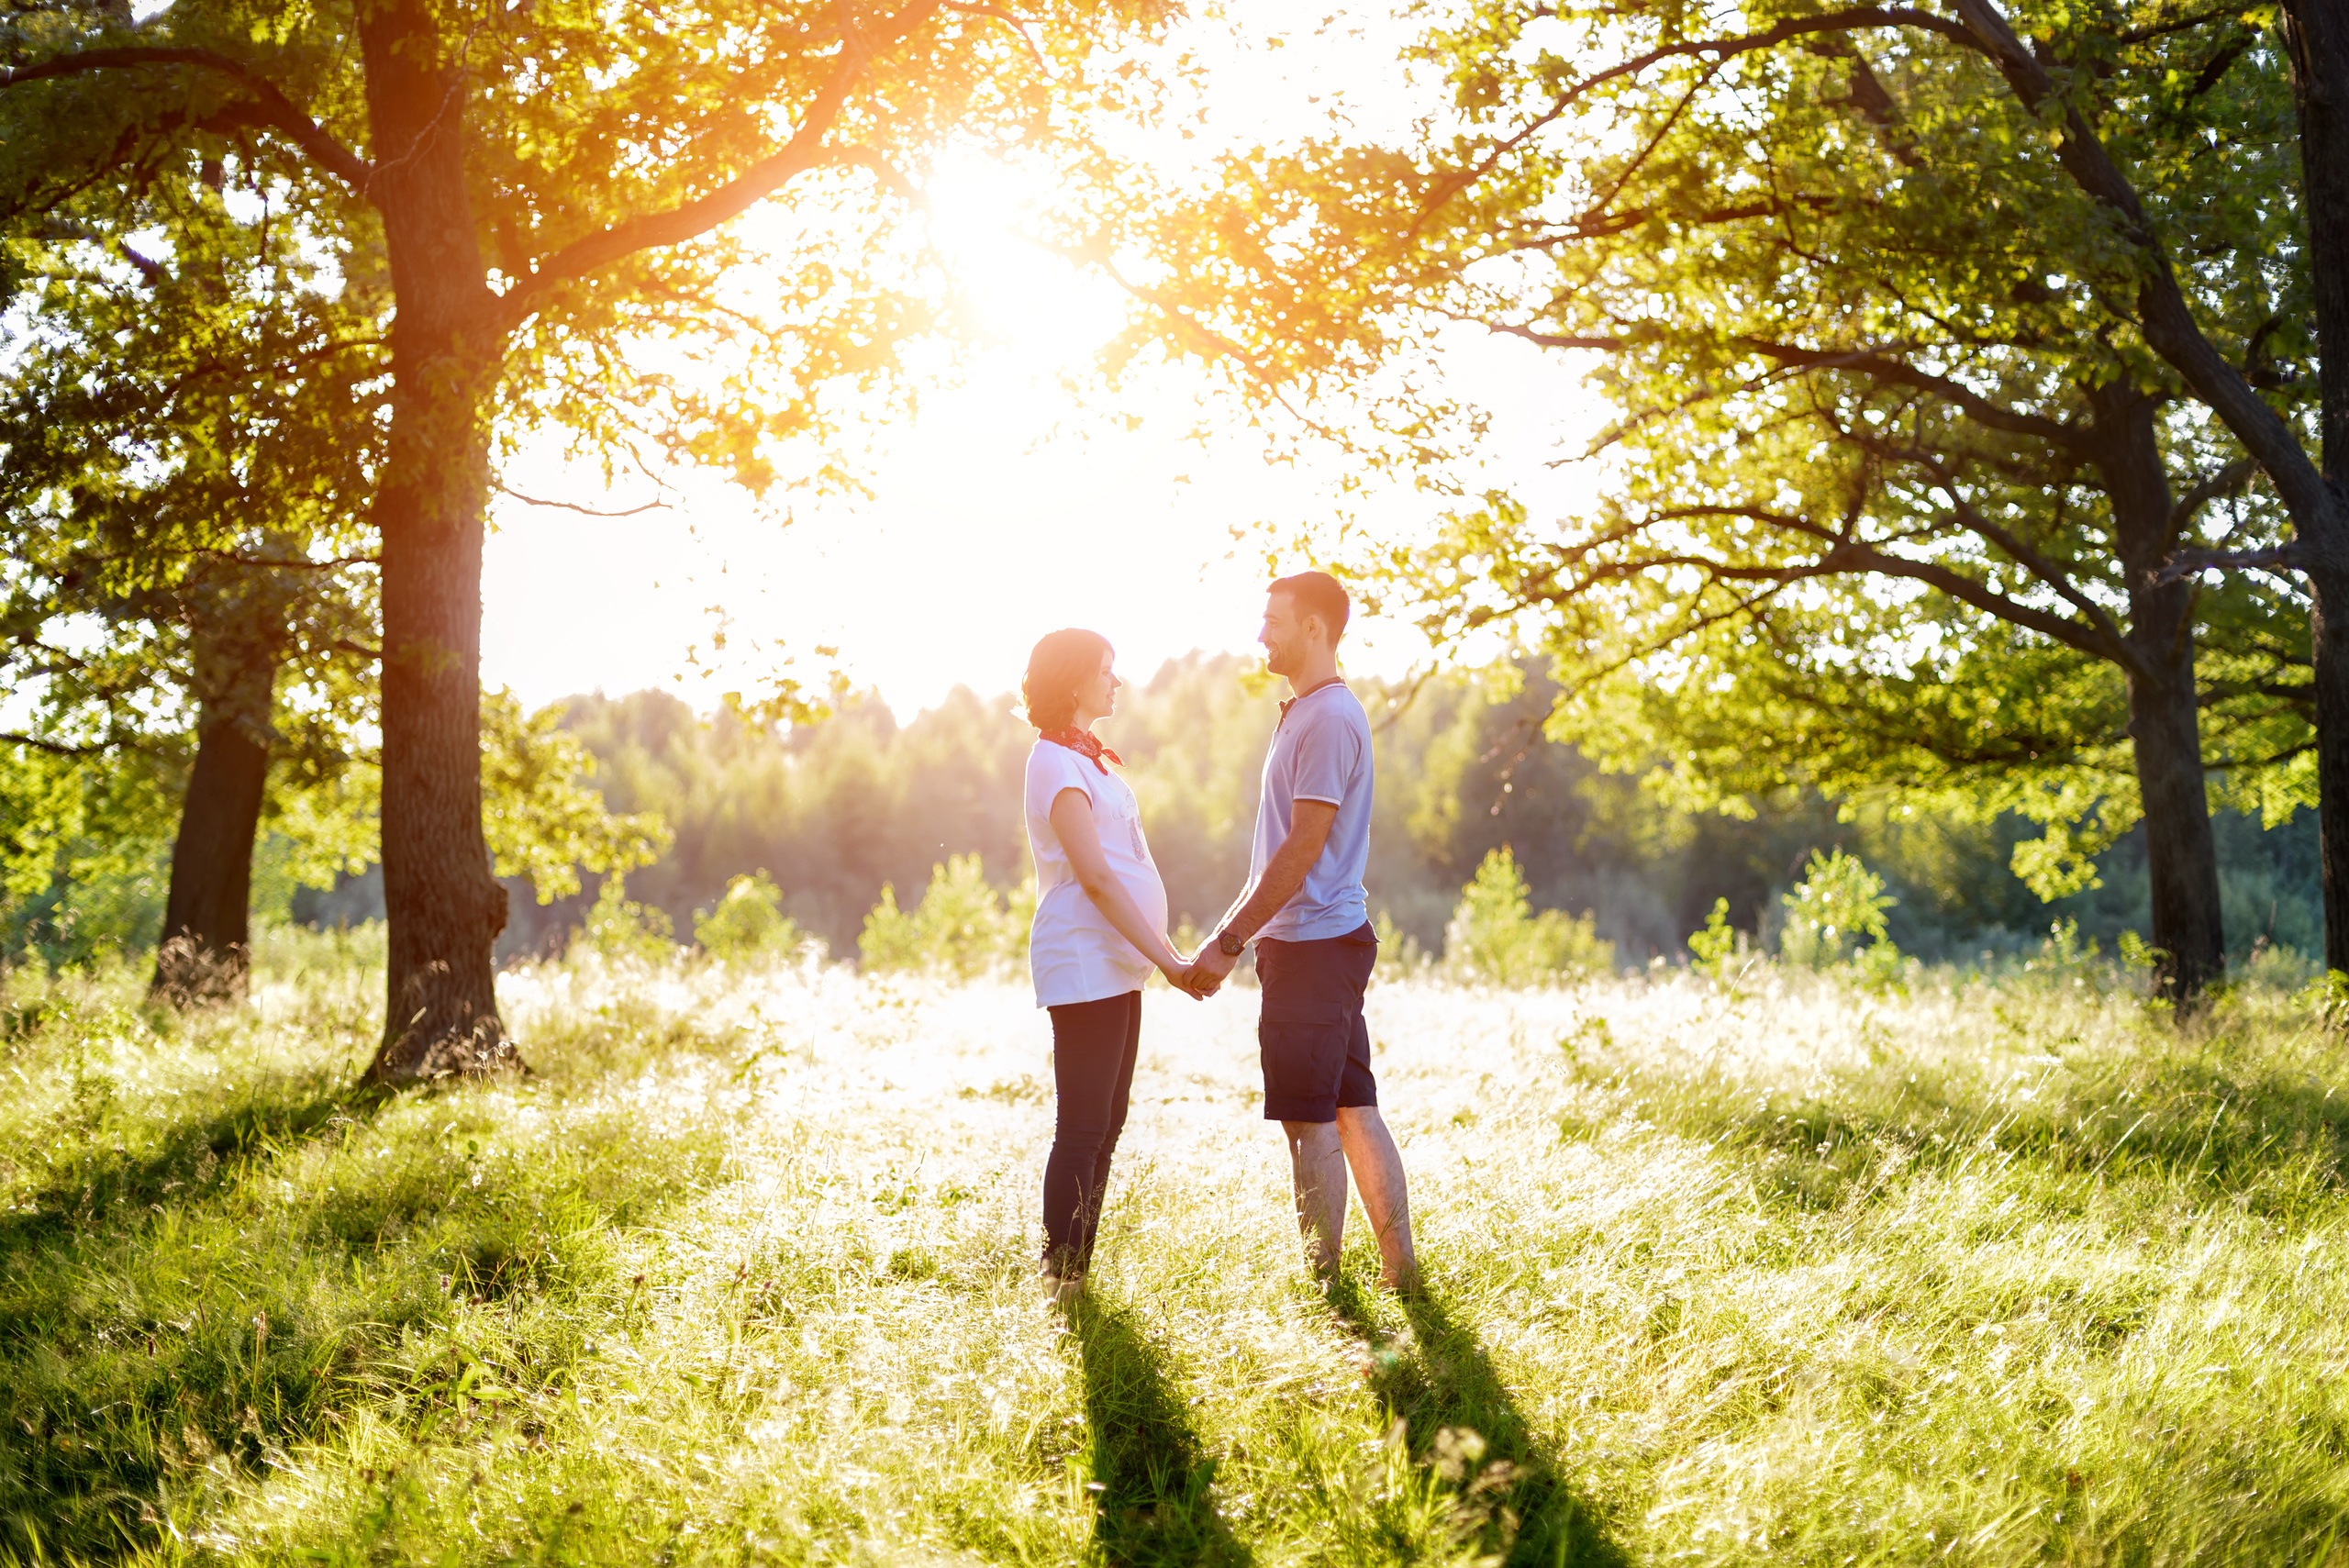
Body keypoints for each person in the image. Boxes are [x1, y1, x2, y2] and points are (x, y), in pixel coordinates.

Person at [1182, 572, 1417, 1290]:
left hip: (1312, 944)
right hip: (1323, 939)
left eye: (1273, 620)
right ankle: (1399, 1273)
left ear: (1314, 626)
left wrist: (1228, 942)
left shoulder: (1327, 719)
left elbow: (1300, 849)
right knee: (1351, 1106)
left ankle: (1327, 1287)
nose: (1262, 633)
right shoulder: (1308, 711)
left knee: (1309, 1120)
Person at [1020, 628, 1196, 1303]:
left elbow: (1119, 867)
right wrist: (1171, 959)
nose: (1116, 681)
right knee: (1084, 1125)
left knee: (1110, 1119)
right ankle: (1061, 1280)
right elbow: (1092, 876)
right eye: (1105, 670)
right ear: (1072, 681)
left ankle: (1076, 1272)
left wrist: (1157, 952)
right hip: (1086, 960)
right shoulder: (1052, 763)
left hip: (1118, 963)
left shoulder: (1086, 760)